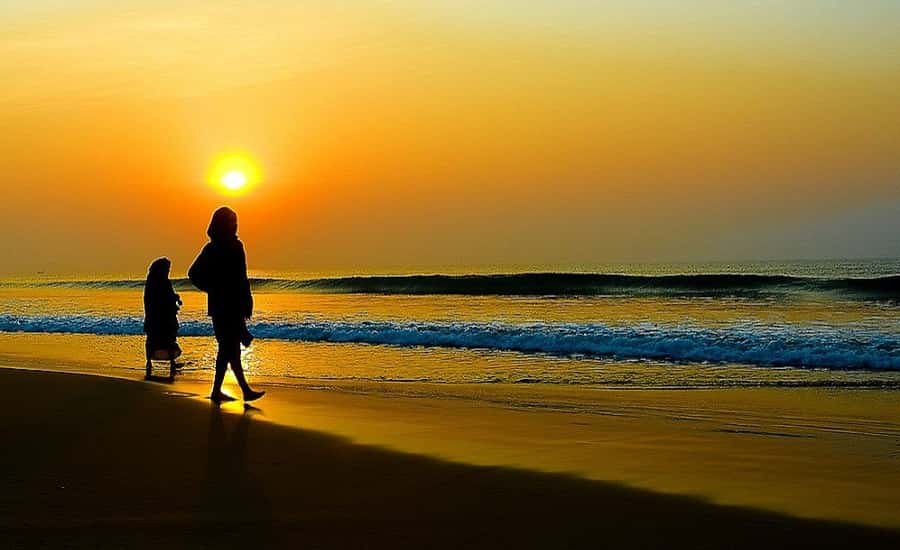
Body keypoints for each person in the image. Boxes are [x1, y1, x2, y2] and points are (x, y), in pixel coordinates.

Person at [189, 207, 265, 403]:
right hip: (222, 307)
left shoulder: (236, 246)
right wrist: (212, 288)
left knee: (230, 349)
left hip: (234, 304)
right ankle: (239, 390)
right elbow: (193, 274)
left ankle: (227, 390)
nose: (235, 224)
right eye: (231, 221)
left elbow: (242, 276)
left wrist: (247, 301)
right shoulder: (212, 248)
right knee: (229, 348)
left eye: (235, 221)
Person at [143, 257, 182, 379]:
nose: (168, 271)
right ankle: (172, 362)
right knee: (169, 338)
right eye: (167, 268)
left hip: (153, 317)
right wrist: (175, 299)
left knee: (152, 339)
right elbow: (166, 297)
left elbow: (150, 299)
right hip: (164, 317)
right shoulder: (163, 281)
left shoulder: (151, 281)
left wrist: (175, 297)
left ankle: (149, 362)